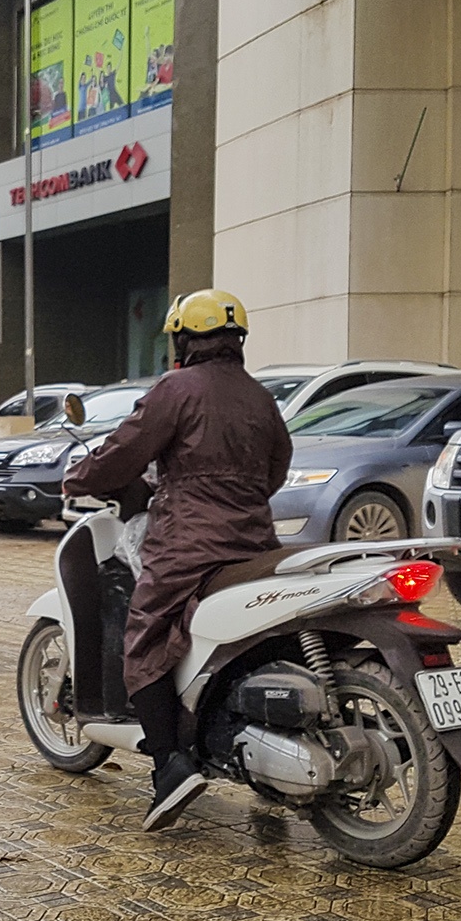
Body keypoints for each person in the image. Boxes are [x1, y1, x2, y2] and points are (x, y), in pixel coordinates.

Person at [62, 290, 293, 832]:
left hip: (188, 542)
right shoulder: (260, 397)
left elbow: (125, 449)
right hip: (255, 541)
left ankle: (169, 765)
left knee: (143, 635)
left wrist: (77, 476)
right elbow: (276, 468)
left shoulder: (176, 389)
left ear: (185, 339)